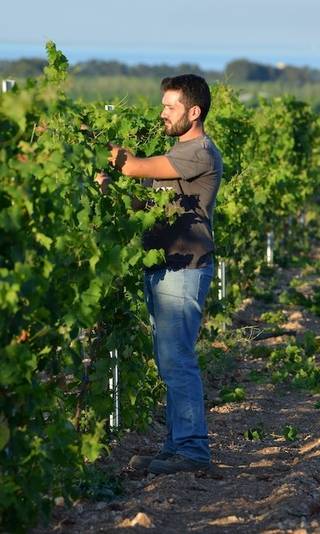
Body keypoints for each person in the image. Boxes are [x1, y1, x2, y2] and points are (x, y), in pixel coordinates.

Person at [96, 74, 222, 475]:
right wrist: (107, 187)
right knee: (168, 360)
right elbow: (143, 202)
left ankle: (191, 450)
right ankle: (176, 447)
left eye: (170, 106)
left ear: (194, 111)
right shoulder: (173, 155)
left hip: (184, 266)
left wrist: (95, 144)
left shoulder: (199, 151)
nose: (162, 112)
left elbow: (132, 167)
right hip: (163, 265)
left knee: (177, 359)